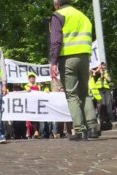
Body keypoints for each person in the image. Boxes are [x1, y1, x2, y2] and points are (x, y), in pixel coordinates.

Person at [50, 0, 99, 141]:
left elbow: (56, 41)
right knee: (85, 93)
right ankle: (93, 128)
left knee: (72, 95)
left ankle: (79, 130)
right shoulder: (82, 16)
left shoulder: (58, 15)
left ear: (57, 4)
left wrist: (53, 62)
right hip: (84, 57)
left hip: (67, 58)